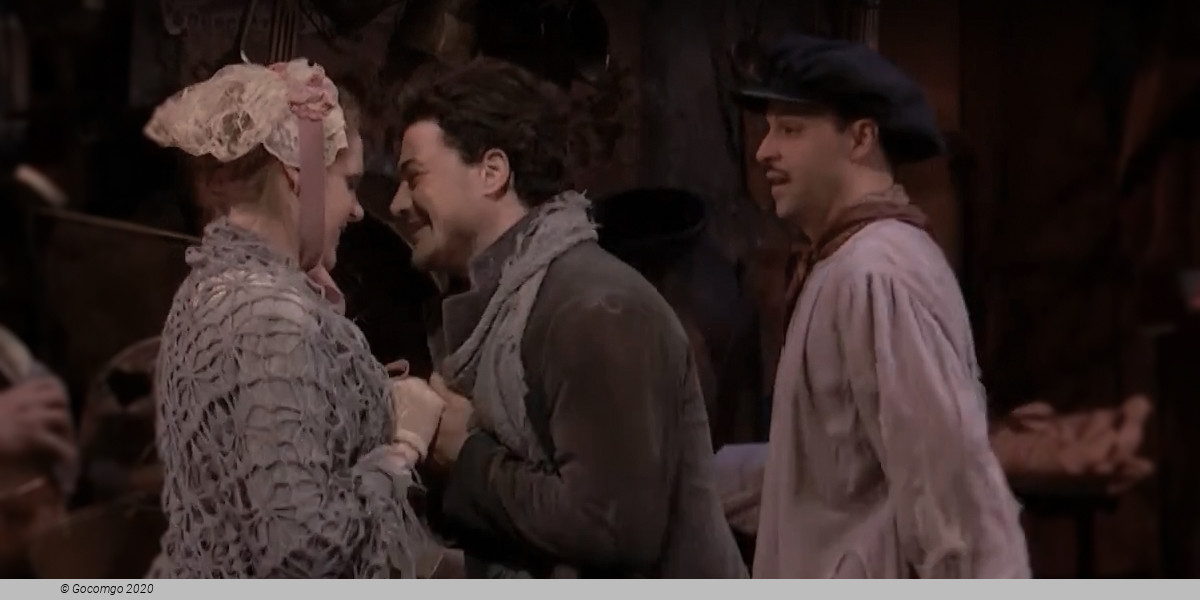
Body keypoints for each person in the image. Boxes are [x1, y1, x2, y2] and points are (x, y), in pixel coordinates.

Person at [389, 57, 746, 578]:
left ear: (492, 172)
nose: (397, 203)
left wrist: (464, 454)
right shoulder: (504, 303)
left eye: (414, 177)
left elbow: (611, 528)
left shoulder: (594, 306)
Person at [735, 34, 1030, 578]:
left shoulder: (877, 273)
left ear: (861, 137)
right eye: (769, 129)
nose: (764, 151)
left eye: (791, 130)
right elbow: (832, 470)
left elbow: (947, 484)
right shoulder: (843, 263)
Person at [144, 59, 443, 578]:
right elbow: (305, 552)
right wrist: (404, 446)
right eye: (350, 183)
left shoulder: (209, 287)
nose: (357, 210)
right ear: (297, 174)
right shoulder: (270, 316)